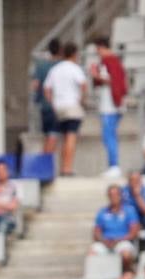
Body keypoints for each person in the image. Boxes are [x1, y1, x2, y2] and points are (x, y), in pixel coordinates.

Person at [43, 42, 87, 178]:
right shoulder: (75, 68)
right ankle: (66, 168)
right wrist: (81, 101)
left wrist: (52, 101)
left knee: (53, 136)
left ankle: (45, 168)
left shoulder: (55, 69)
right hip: (71, 105)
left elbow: (46, 88)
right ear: (74, 54)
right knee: (70, 137)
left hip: (58, 106)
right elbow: (83, 86)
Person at [87, 35, 126, 177]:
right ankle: (113, 165)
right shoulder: (112, 61)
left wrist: (96, 75)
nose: (97, 52)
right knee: (109, 135)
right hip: (110, 104)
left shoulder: (110, 61)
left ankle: (114, 165)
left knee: (109, 135)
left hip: (110, 105)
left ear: (102, 47)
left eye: (98, 49)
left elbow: (112, 80)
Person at [91, 184, 139, 262]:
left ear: (120, 196)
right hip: (105, 242)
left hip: (122, 241)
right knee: (92, 253)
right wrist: (104, 241)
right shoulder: (102, 212)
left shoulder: (129, 211)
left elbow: (134, 232)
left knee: (126, 254)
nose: (113, 197)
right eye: (110, 195)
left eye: (115, 195)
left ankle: (126, 273)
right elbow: (96, 232)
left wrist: (118, 240)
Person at [33, 39, 63, 157]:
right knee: (53, 135)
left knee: (47, 135)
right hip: (56, 104)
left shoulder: (41, 66)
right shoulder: (61, 66)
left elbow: (35, 84)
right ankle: (45, 163)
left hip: (44, 105)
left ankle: (45, 161)